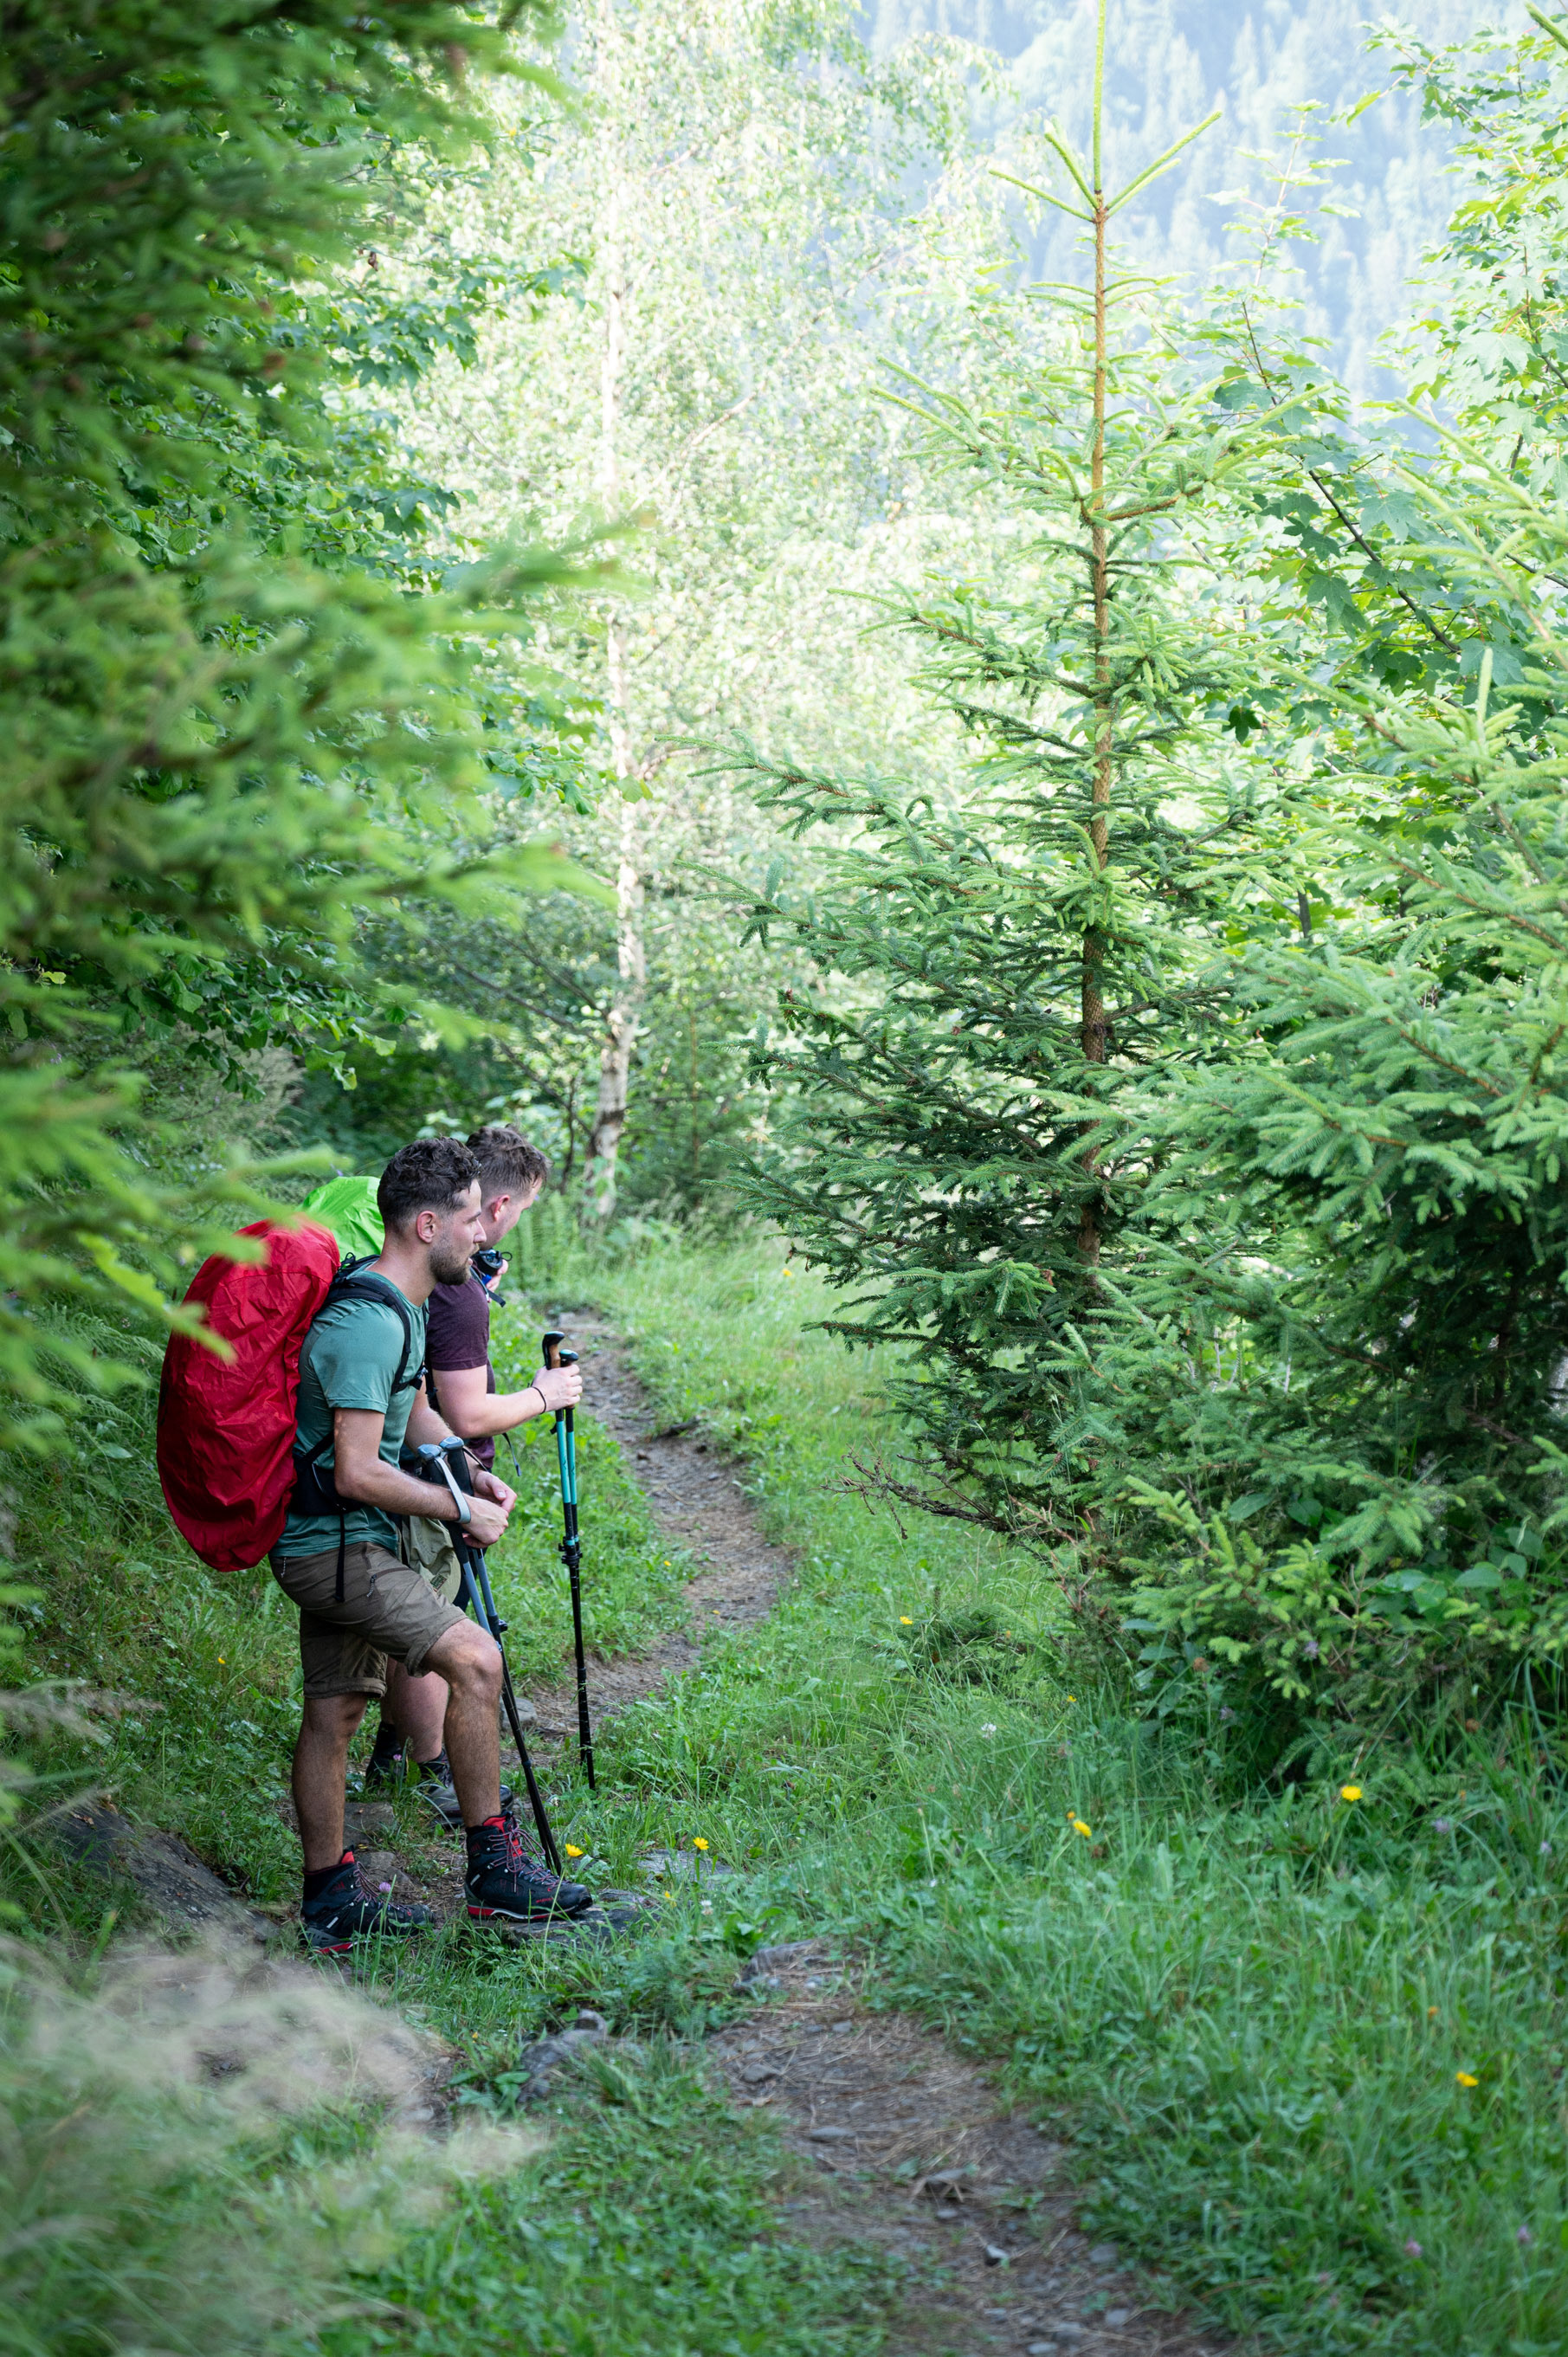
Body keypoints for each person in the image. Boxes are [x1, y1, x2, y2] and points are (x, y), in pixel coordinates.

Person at [270, 1137, 591, 1949]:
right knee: (476, 1659)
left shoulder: (399, 1307)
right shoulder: (368, 1322)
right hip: (337, 1548)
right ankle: (494, 1875)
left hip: (341, 1542)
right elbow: (354, 1472)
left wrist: (460, 1469)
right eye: (465, 1222)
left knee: (337, 1711)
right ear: (423, 1225)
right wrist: (457, 1514)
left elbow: (411, 1408)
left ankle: (330, 1900)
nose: (481, 1233)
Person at [363, 1125, 584, 1819]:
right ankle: (432, 1770)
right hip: (425, 1474)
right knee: (433, 1625)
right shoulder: (454, 1293)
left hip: (422, 1466)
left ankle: (393, 1757)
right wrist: (545, 1396)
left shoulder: (449, 1279)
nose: (514, 1220)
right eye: (518, 1207)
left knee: (426, 1619)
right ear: (495, 1207)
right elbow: (461, 1412)